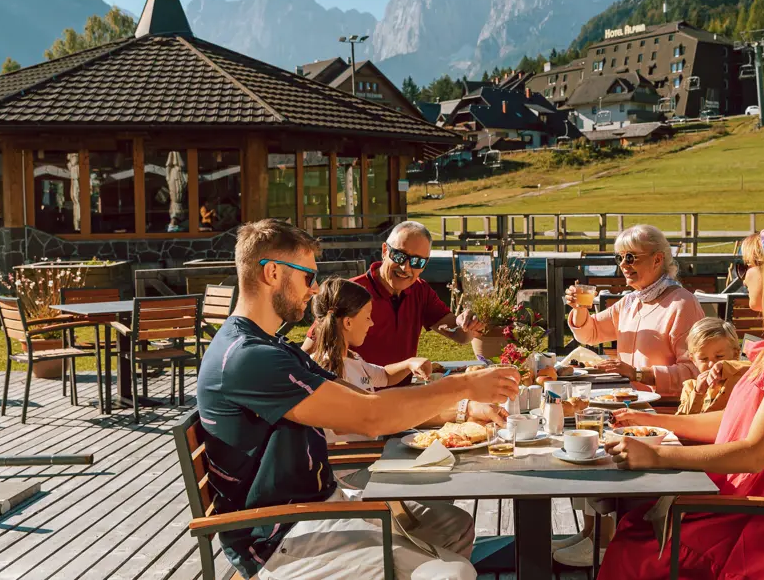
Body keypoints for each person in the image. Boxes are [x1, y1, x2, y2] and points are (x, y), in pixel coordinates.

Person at [196, 219, 521, 580]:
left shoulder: (271, 347)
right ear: (273, 272)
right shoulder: (249, 357)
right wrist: (462, 386)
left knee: (450, 526)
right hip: (283, 532)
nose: (314, 289)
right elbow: (370, 417)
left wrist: (461, 406)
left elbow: (363, 397)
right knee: (453, 573)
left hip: (320, 505)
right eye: (307, 276)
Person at [599, 222, 764, 579]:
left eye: (745, 267)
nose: (741, 278)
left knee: (635, 544)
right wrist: (656, 422)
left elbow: (754, 453)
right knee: (637, 522)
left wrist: (657, 454)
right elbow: (736, 421)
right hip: (757, 503)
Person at [556, 224, 705, 567]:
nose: (623, 264)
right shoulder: (631, 302)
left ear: (657, 259)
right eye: (619, 257)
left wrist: (640, 375)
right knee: (577, 431)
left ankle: (604, 540)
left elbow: (696, 372)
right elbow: (591, 334)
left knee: (588, 436)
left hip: (663, 415)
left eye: (631, 257)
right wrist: (580, 308)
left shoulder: (681, 304)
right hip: (629, 407)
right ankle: (592, 531)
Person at [308, 276, 507, 444]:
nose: (372, 323)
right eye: (368, 316)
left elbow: (384, 375)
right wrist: (463, 405)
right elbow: (377, 412)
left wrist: (409, 363)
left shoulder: (352, 359)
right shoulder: (328, 371)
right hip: (355, 468)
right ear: (348, 322)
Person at [301, 221, 483, 378]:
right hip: (355, 397)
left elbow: (459, 335)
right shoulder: (351, 291)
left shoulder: (420, 291)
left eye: (417, 262)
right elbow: (307, 352)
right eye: (399, 256)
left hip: (399, 396)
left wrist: (467, 323)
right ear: (384, 251)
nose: (406, 267)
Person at [676, 317, 748, 415]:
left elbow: (757, 366)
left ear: (735, 354)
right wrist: (698, 393)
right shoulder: (691, 387)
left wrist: (726, 366)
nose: (712, 364)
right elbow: (681, 420)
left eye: (719, 356)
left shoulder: (740, 379)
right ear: (693, 360)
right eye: (703, 359)